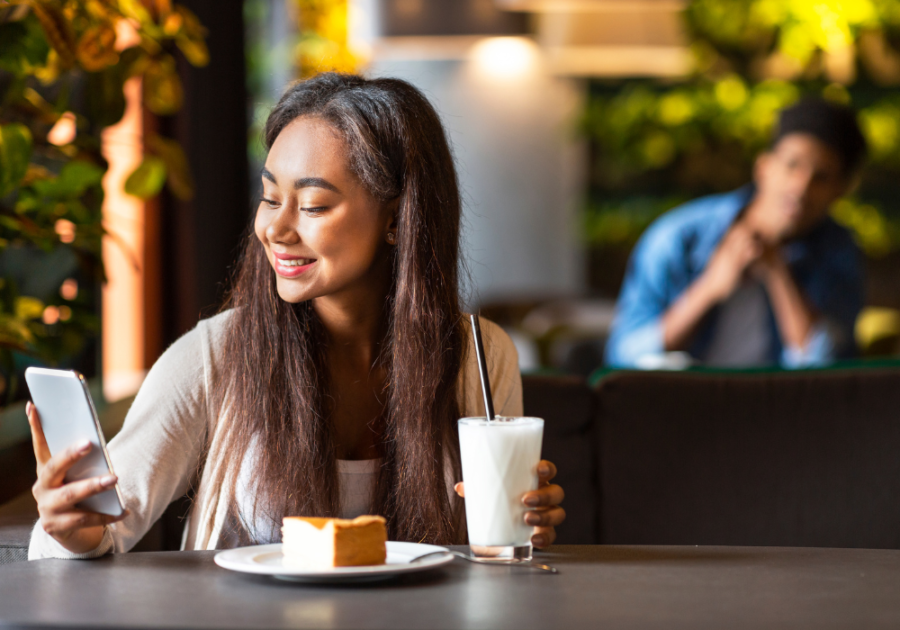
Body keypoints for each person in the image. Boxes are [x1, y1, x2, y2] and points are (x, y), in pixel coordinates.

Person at [27, 73, 566, 559]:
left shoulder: (480, 353)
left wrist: (522, 525)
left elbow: (495, 559)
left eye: (311, 206)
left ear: (399, 218)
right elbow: (100, 525)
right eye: (269, 197)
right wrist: (73, 529)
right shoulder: (215, 355)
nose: (276, 230)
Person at [605, 98, 867, 369]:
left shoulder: (838, 251)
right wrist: (710, 288)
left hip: (778, 408)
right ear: (763, 167)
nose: (800, 187)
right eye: (791, 165)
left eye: (821, 177)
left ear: (840, 191)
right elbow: (624, 356)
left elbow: (829, 370)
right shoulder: (679, 236)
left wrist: (778, 273)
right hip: (683, 405)